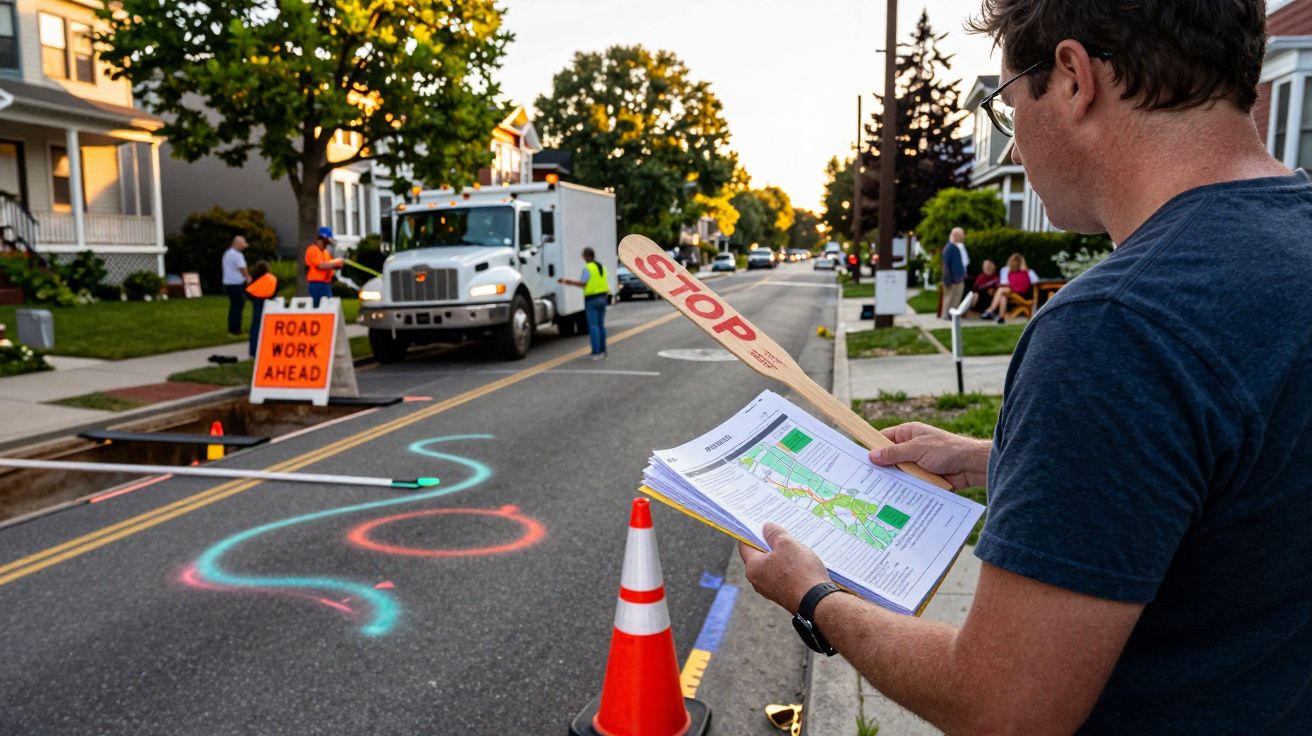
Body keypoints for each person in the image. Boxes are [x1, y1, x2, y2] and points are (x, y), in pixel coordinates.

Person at [738, 2, 1312, 733]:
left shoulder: (1115, 329)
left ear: (1073, 79)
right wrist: (994, 455)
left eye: (1010, 111)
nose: (1012, 152)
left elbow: (1003, 706)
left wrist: (815, 597)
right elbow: (1242, 480)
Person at [558, 247, 609, 359]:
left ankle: (596, 352)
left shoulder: (588, 268)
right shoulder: (602, 267)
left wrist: (569, 282)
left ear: (587, 256)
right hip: (603, 298)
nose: (583, 258)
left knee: (593, 326)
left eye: (584, 256)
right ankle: (603, 350)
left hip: (592, 300)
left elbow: (583, 284)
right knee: (601, 325)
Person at [980, 252, 1039, 323]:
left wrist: (1026, 269)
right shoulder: (1008, 271)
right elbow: (1005, 283)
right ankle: (1001, 318)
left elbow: (1036, 281)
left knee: (1001, 290)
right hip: (1012, 292)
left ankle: (990, 310)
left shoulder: (1028, 272)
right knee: (1003, 295)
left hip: (1023, 294)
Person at [244, 260, 277, 358]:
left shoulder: (254, 278)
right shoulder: (272, 278)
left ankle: (253, 351)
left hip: (257, 302)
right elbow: (274, 291)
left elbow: (248, 291)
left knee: (256, 326)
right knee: (268, 327)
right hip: (268, 303)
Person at [305, 227, 343, 307]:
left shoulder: (325, 252)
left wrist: (338, 265)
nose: (330, 241)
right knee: (317, 307)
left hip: (326, 284)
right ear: (324, 238)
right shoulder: (313, 250)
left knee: (328, 306)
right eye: (329, 238)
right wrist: (336, 263)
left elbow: (329, 264)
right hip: (316, 284)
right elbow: (321, 266)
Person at [220, 235, 249, 335]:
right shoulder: (237, 255)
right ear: (237, 243)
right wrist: (248, 277)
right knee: (238, 305)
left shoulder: (227, 253)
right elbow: (242, 268)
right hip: (236, 284)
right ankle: (236, 329)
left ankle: (233, 327)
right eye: (242, 245)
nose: (243, 247)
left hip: (229, 283)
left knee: (234, 306)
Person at [939, 228, 966, 318]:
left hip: (958, 279)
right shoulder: (949, 248)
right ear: (955, 235)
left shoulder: (956, 247)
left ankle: (952, 315)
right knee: (949, 298)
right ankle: (946, 315)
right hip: (951, 280)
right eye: (961, 235)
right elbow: (946, 265)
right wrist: (948, 280)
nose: (963, 237)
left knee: (956, 299)